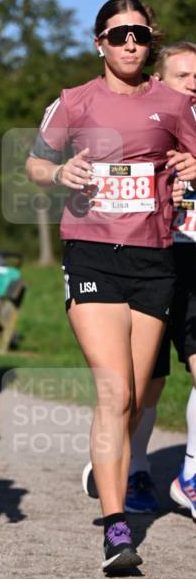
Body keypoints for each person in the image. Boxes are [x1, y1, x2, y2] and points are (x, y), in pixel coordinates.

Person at [26, 0, 196, 573]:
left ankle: (108, 471)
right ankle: (117, 529)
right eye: (119, 34)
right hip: (93, 253)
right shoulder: (75, 101)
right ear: (99, 41)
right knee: (114, 392)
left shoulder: (173, 102)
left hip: (155, 260)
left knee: (132, 401)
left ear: (151, 41)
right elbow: (35, 163)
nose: (130, 44)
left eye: (140, 35)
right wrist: (58, 171)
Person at [81, 41, 196, 518]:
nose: (193, 85)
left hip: (191, 262)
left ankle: (189, 474)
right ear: (159, 84)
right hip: (142, 261)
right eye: (183, 76)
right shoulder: (139, 126)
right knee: (141, 386)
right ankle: (131, 465)